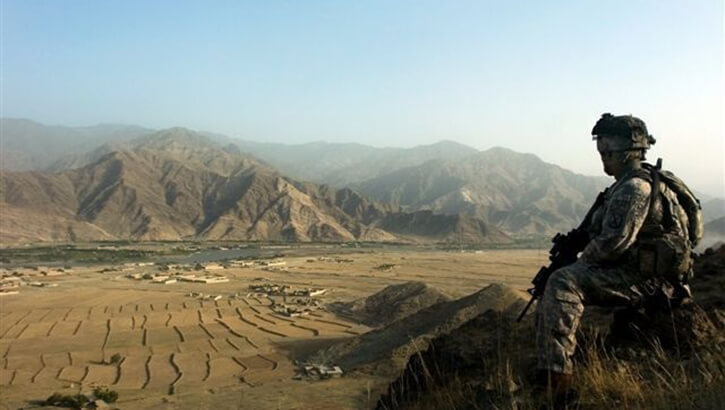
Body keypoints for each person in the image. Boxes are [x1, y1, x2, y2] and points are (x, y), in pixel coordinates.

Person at [534, 113, 699, 398]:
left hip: (648, 282)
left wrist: (577, 263)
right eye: (601, 152)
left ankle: (556, 380)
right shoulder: (646, 181)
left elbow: (612, 244)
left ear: (627, 153)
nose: (603, 159)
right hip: (656, 276)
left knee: (563, 282)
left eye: (608, 153)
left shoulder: (633, 189)